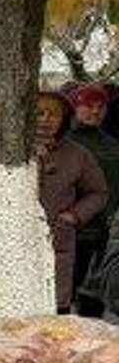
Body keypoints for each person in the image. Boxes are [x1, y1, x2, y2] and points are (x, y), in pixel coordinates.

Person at [35, 88, 107, 313]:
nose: (46, 119)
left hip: (58, 242)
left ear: (64, 119)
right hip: (13, 242)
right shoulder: (8, 149)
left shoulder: (77, 154)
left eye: (53, 114)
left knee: (55, 318)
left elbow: (98, 193)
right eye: (39, 113)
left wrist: (74, 215)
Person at [66, 84, 119, 315]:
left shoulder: (113, 145)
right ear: (75, 107)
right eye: (88, 106)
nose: (95, 112)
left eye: (100, 107)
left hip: (100, 229)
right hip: (66, 226)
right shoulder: (63, 141)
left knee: (91, 290)